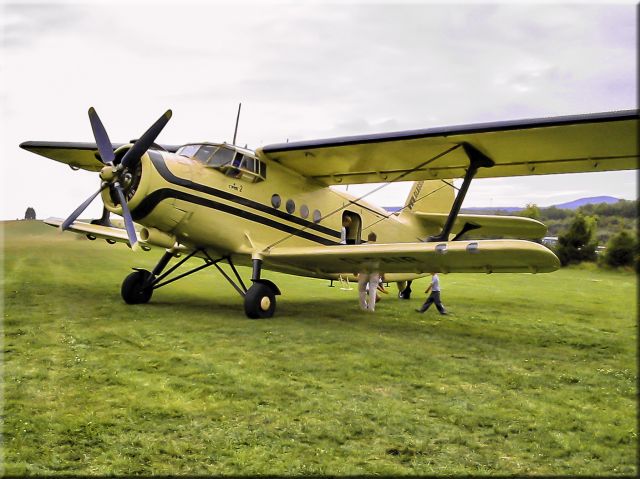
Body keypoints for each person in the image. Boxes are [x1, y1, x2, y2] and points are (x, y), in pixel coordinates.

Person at [357, 232, 379, 312]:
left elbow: (357, 259)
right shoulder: (379, 247)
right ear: (375, 239)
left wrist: (355, 270)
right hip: (375, 270)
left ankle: (363, 306)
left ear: (368, 238)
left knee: (361, 289)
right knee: (373, 289)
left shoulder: (362, 246)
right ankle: (371, 308)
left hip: (363, 270)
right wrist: (382, 273)